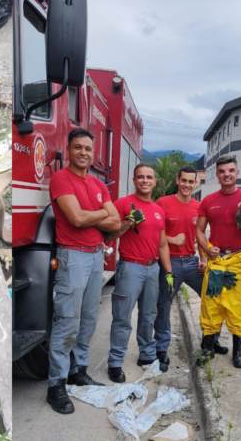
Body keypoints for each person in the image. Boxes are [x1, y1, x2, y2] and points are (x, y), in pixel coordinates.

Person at [46, 128, 121, 414]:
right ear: (69, 150)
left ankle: (78, 371)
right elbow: (76, 219)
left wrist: (100, 217)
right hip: (73, 257)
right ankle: (56, 386)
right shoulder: (60, 179)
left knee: (88, 318)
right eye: (77, 147)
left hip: (94, 257)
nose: (83, 153)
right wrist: (103, 214)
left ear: (93, 153)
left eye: (87, 149)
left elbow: (116, 224)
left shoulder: (98, 183)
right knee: (67, 321)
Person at [104, 163, 174, 383]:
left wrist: (169, 272)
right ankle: (115, 362)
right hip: (130, 267)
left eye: (149, 177)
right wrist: (128, 221)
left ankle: (146, 355)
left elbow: (163, 245)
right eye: (140, 177)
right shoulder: (123, 204)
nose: (145, 180)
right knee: (122, 317)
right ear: (134, 180)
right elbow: (108, 237)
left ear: (155, 182)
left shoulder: (158, 210)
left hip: (153, 268)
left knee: (149, 315)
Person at [195, 155, 241, 368]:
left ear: (237, 173)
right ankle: (207, 350)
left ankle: (237, 353)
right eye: (222, 171)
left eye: (231, 170)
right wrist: (207, 248)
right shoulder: (208, 201)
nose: (226, 174)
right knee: (211, 306)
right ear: (217, 175)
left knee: (239, 308)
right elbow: (198, 230)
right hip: (216, 262)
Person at [154, 166, 228, 372]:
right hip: (170, 265)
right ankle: (161, 349)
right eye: (183, 180)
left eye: (191, 181)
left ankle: (212, 341)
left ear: (196, 183)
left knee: (214, 298)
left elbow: (200, 236)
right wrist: (171, 239)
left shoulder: (199, 206)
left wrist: (203, 258)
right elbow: (153, 232)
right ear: (178, 180)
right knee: (164, 305)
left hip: (192, 263)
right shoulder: (163, 203)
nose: (187, 185)